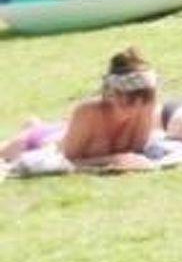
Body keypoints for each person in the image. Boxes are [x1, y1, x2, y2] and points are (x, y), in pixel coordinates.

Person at [3, 47, 160, 171]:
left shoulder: (145, 106)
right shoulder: (88, 111)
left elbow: (136, 151)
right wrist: (112, 159)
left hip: (66, 131)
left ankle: (35, 124)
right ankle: (33, 127)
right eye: (130, 101)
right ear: (113, 95)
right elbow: (68, 160)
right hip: (40, 142)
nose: (137, 108)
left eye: (144, 99)